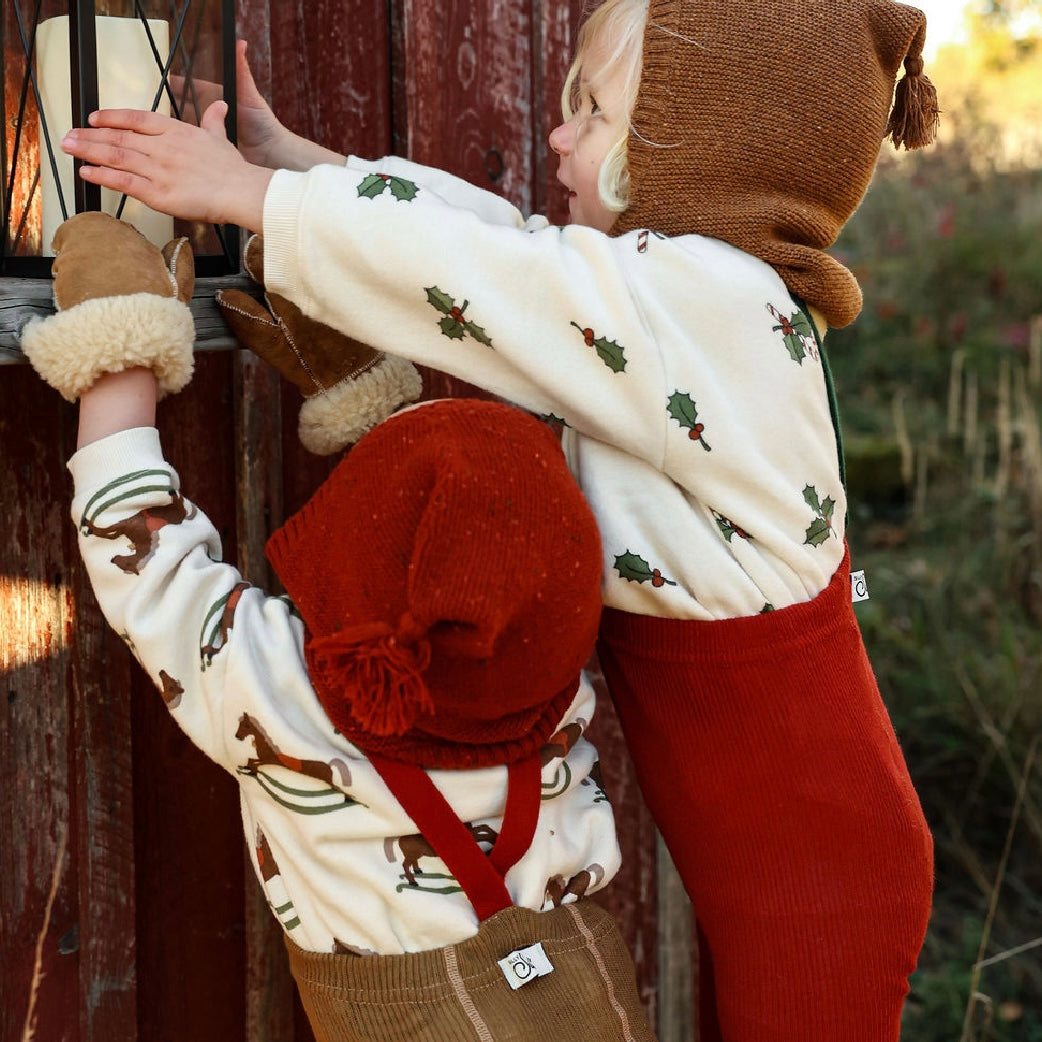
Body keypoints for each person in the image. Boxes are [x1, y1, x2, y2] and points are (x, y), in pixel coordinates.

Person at [58, 1, 940, 1038]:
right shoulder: (669, 295)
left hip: (818, 863)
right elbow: (504, 246)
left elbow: (497, 280)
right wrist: (294, 168)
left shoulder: (717, 306)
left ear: (702, 154)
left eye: (596, 112)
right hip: (791, 838)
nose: (560, 136)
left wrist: (257, 198)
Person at [20, 211, 657, 1042]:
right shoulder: (542, 674)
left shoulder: (286, 694)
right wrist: (365, 395)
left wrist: (121, 355)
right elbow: (462, 538)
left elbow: (147, 563)